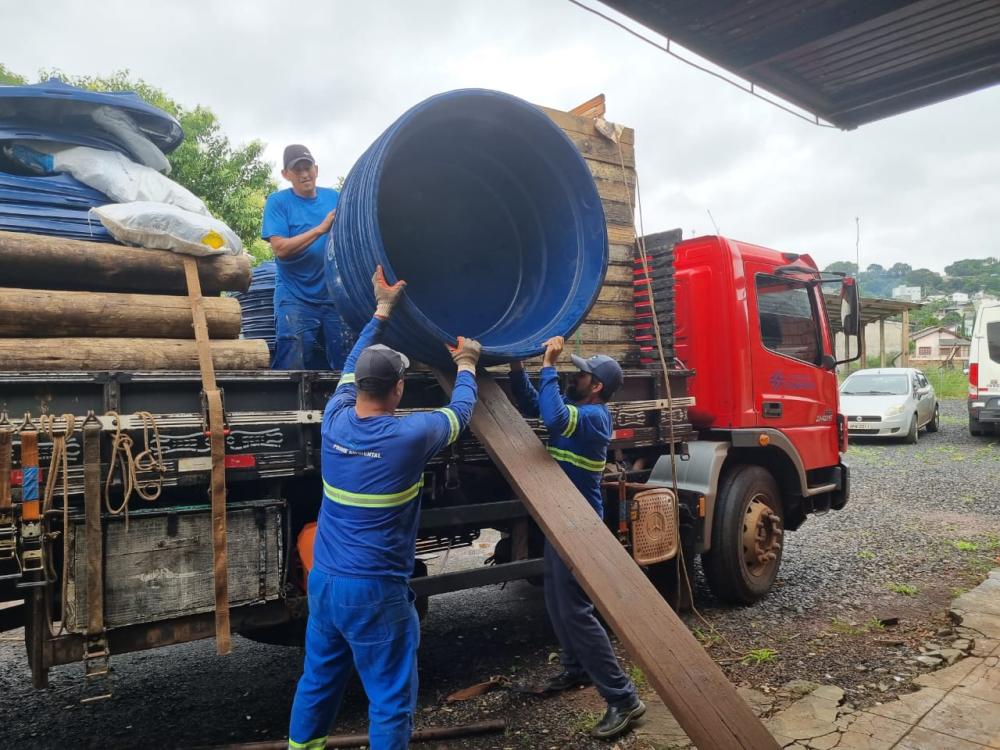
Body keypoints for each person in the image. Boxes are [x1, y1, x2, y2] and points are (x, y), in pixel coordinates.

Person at [287, 265, 482, 750]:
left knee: (317, 682)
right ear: (397, 389)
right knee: (391, 699)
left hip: (326, 584)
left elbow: (350, 365)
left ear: (360, 387)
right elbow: (459, 415)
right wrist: (468, 365)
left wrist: (380, 311)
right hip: (374, 592)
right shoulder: (408, 435)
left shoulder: (334, 421)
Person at [509, 337, 646, 740]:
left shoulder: (595, 418)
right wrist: (519, 369)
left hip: (579, 525)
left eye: (582, 374)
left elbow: (552, 419)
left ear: (597, 386)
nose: (576, 376)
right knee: (556, 599)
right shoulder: (578, 409)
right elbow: (537, 406)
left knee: (577, 612)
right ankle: (575, 668)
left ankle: (624, 700)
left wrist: (549, 364)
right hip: (561, 518)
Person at [262, 144, 351, 370]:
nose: (304, 174)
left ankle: (342, 404)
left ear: (316, 169)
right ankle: (285, 404)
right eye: (297, 169)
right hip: (295, 295)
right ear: (286, 174)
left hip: (333, 295)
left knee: (347, 361)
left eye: (307, 167)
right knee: (292, 359)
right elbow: (280, 248)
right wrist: (320, 229)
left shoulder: (336, 198)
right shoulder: (278, 202)